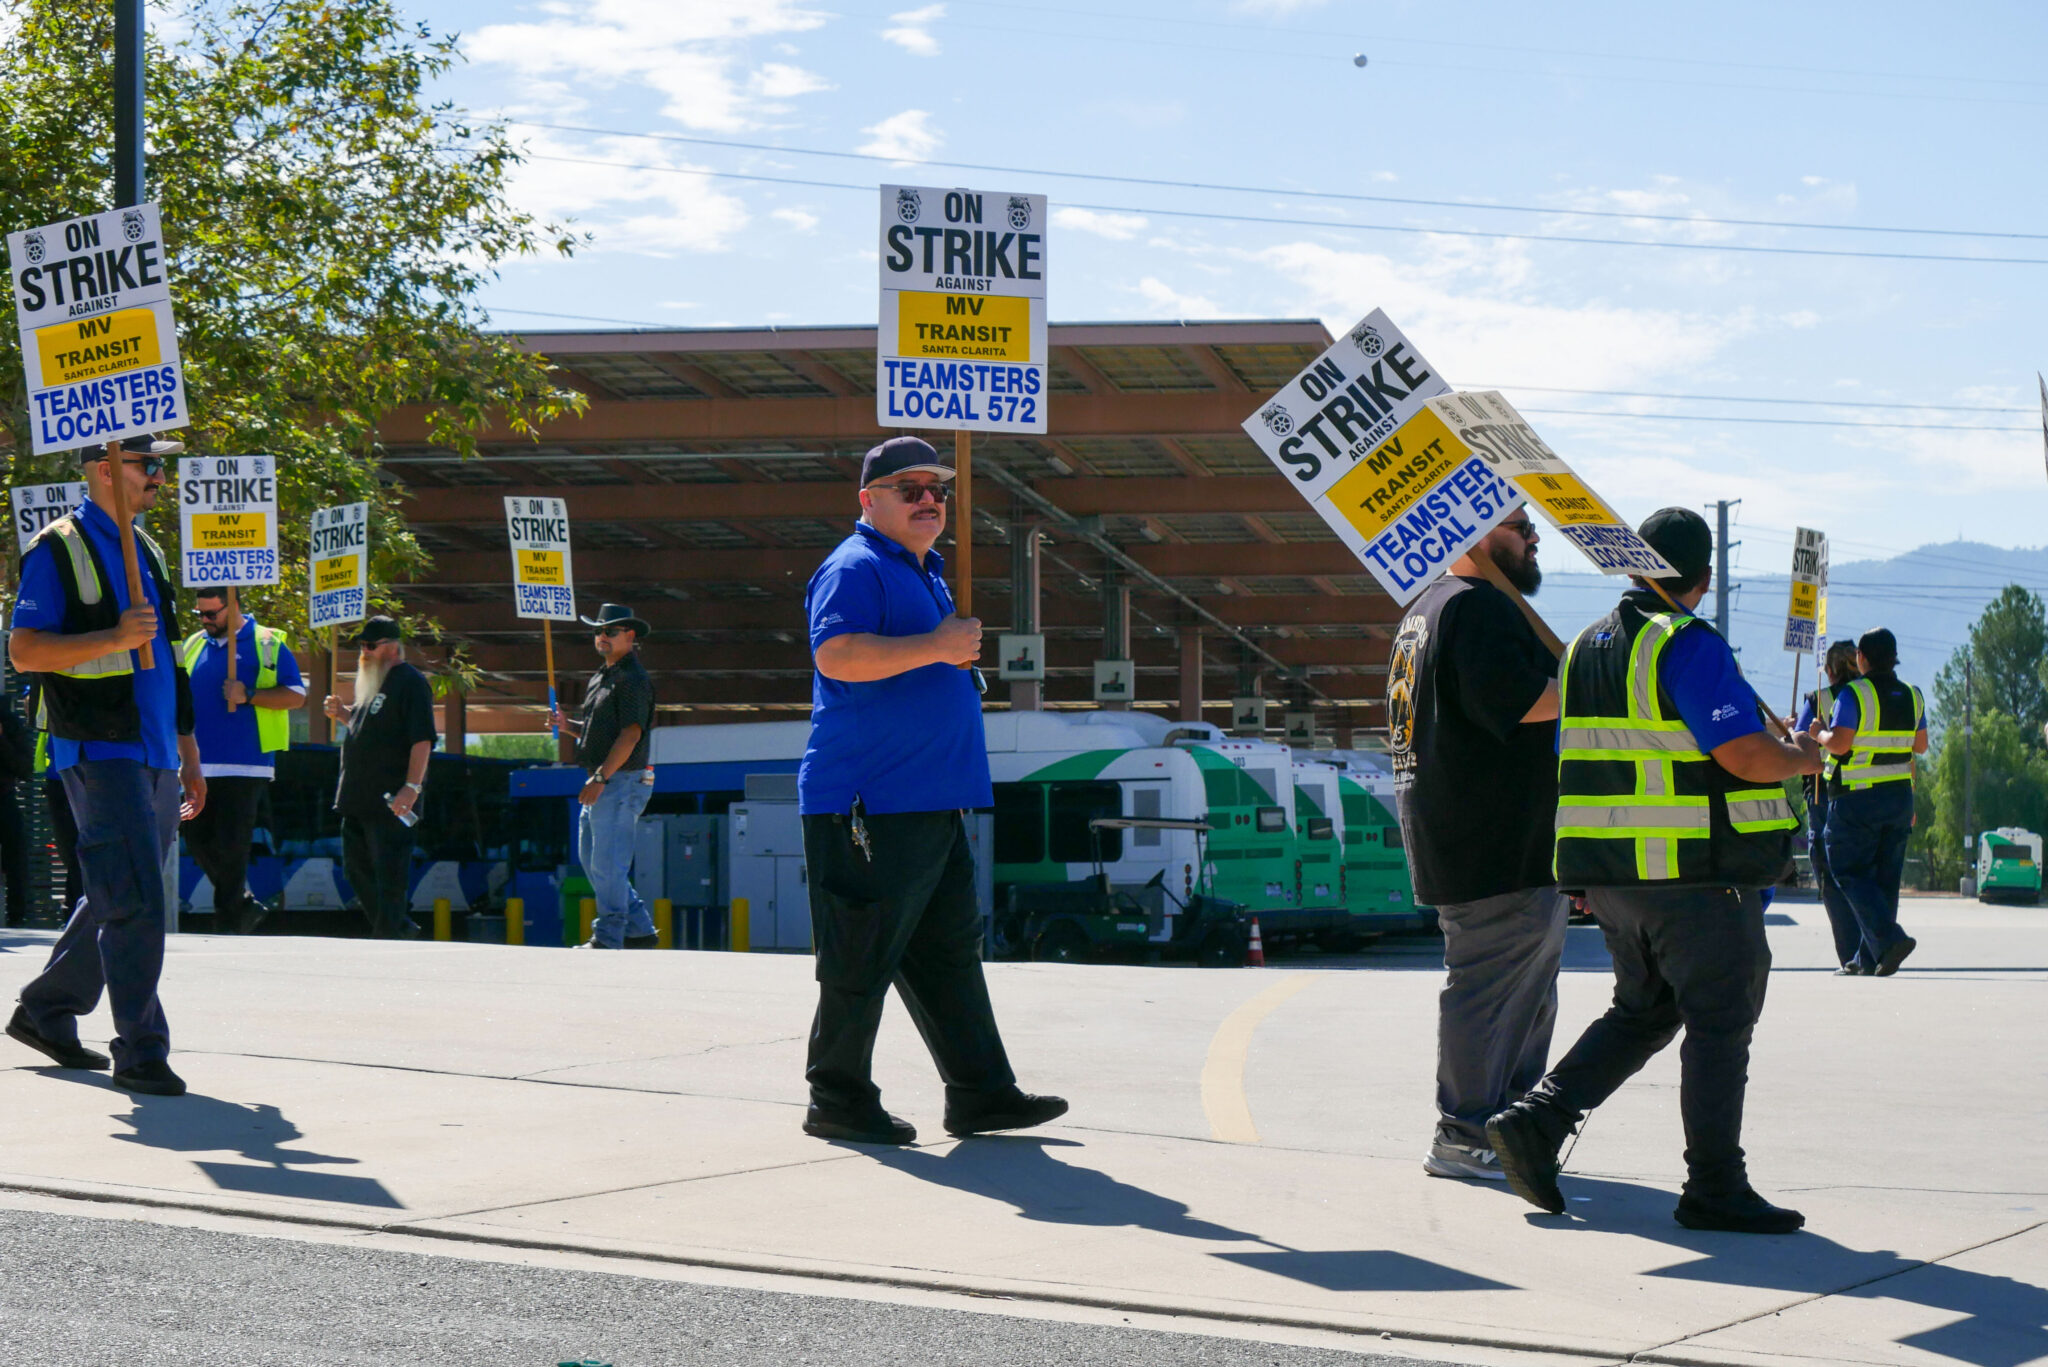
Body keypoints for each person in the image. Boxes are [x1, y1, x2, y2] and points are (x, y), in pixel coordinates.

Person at [1488, 507, 1824, 1235]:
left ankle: (1537, 1121)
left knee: (1644, 1012)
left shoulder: (1584, 648)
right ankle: (1715, 1185)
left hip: (1614, 878)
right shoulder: (1686, 642)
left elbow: (1578, 762)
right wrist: (1802, 755)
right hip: (1697, 875)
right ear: (1704, 575)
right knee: (1720, 1022)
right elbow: (1743, 755)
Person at [798, 435, 1066, 1146]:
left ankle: (981, 1094)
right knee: (860, 955)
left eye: (937, 490)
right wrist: (937, 646)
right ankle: (836, 1097)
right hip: (871, 801)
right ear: (868, 499)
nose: (929, 500)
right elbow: (836, 654)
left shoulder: (925, 571)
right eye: (909, 489)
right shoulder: (855, 566)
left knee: (948, 952)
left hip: (929, 800)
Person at [5, 434, 205, 1097]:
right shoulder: (57, 547)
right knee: (136, 898)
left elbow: (168, 659)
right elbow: (25, 651)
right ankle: (141, 1048)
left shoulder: (147, 548)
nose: (159, 476)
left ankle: (45, 1009)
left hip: (155, 750)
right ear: (105, 469)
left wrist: (188, 753)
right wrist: (114, 637)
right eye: (149, 464)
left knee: (117, 890)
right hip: (99, 747)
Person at [1387, 506, 1566, 1182]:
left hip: (1470, 836)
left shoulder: (1425, 610)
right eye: (1519, 525)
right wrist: (1595, 687)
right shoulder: (1479, 606)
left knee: (1524, 995)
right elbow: (1517, 700)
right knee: (1491, 993)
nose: (1534, 536)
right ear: (1474, 530)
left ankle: (1508, 1128)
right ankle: (1465, 1132)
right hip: (1495, 842)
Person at [179, 588, 305, 933]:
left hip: (246, 762)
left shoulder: (267, 644)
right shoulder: (193, 644)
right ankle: (241, 904)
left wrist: (248, 695)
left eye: (212, 614)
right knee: (196, 838)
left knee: (232, 845)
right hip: (198, 762)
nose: (205, 620)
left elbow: (296, 695)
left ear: (232, 606)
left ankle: (228, 921)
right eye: (200, 613)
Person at [1811, 628, 1926, 978]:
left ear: (1862, 658)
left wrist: (1819, 733)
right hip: (1899, 799)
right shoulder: (1913, 695)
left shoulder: (1854, 694)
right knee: (1885, 879)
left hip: (1857, 799)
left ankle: (1890, 941)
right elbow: (1920, 746)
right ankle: (1869, 958)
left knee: (1848, 870)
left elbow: (1840, 744)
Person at [549, 603, 659, 950]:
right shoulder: (602, 676)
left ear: (630, 636)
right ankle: (639, 928)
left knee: (607, 864)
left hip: (618, 781)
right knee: (595, 861)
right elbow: (600, 730)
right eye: (598, 631)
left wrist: (600, 778)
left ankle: (609, 936)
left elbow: (631, 734)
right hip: (607, 780)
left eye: (610, 631)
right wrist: (568, 726)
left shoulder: (632, 679)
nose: (601, 636)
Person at [323, 617, 435, 939]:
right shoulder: (371, 683)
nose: (364, 652)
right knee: (355, 871)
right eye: (362, 646)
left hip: (391, 800)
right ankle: (398, 927)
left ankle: (388, 935)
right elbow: (368, 729)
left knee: (389, 875)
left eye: (371, 646)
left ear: (392, 647)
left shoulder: (410, 682)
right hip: (357, 798)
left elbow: (422, 740)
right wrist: (343, 714)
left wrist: (411, 788)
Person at [1795, 641, 1865, 973]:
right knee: (1863, 874)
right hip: (1866, 795)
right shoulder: (1870, 697)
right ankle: (1870, 950)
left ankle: (1851, 955)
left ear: (1828, 669)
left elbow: (1799, 740)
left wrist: (1794, 730)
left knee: (1829, 875)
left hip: (1823, 794)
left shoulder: (1818, 699)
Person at [0, 688, 36, 927]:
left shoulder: (8, 721)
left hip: (3, 798)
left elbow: (25, 768)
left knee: (16, 855)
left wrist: (1, 740)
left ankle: (16, 915)